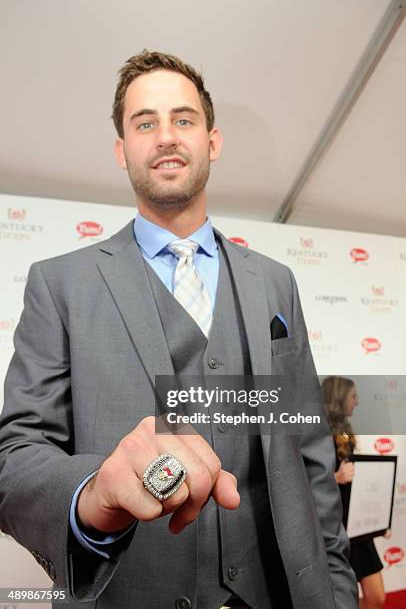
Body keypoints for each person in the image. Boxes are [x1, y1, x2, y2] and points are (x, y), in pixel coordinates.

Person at [0, 50, 358, 609]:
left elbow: (308, 450)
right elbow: (17, 455)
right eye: (146, 123)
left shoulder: (276, 282)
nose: (166, 136)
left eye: (183, 119)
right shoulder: (58, 285)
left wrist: (336, 591)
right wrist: (93, 494)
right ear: (122, 151)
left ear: (212, 141)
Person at [322, 376, 386, 609]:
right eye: (353, 396)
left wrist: (377, 522)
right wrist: (335, 478)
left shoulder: (346, 432)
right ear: (339, 398)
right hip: (334, 530)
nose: (357, 402)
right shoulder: (317, 434)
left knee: (376, 596)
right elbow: (301, 483)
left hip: (358, 529)